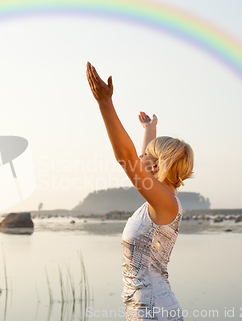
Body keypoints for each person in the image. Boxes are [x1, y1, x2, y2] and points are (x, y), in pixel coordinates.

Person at [86, 62, 194, 321]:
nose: (139, 156)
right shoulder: (158, 200)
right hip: (146, 307)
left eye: (145, 155)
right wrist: (150, 129)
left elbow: (127, 158)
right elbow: (141, 161)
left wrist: (105, 104)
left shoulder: (165, 203)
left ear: (157, 164)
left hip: (154, 310)